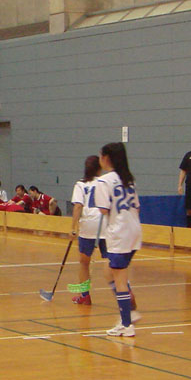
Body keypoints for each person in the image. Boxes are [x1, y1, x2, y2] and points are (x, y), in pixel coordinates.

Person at [93, 142, 142, 338]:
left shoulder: (104, 181)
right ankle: (129, 312)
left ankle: (126, 323)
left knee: (120, 279)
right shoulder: (129, 180)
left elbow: (103, 209)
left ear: (106, 158)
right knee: (109, 271)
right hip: (134, 230)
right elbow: (137, 206)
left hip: (119, 232)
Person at [68, 155, 102, 306]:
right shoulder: (105, 182)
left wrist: (73, 228)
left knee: (84, 263)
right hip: (104, 225)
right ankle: (124, 293)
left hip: (88, 225)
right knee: (113, 263)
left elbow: (78, 206)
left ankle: (84, 296)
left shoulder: (80, 184)